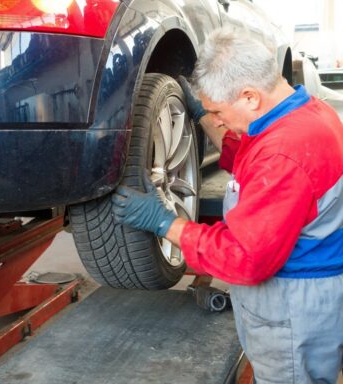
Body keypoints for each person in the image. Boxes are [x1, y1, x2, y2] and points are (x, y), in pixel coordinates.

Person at [112, 28, 343, 384]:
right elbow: (250, 155)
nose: (216, 119)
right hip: (301, 288)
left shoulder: (285, 153)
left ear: (250, 96)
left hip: (294, 304)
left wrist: (165, 223)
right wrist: (202, 113)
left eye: (218, 111)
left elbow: (244, 259)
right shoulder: (304, 113)